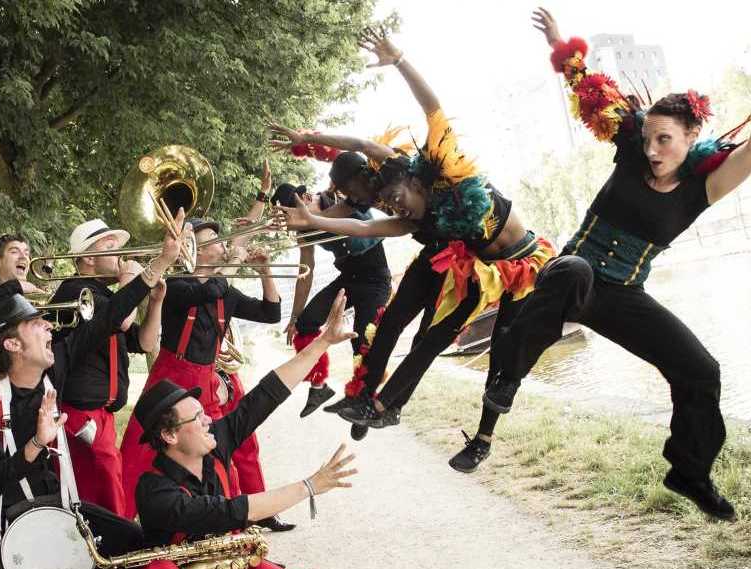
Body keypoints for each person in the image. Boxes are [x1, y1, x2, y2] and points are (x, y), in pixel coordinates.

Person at [480, 8, 751, 520]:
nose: (653, 149)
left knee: (701, 370)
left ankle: (690, 472)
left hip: (625, 294)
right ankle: (508, 375)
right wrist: (557, 41)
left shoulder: (702, 188)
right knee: (574, 271)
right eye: (648, 138)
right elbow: (587, 86)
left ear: (690, 136)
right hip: (573, 275)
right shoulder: (630, 152)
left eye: (665, 140)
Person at [273, 27, 555, 475]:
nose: (392, 205)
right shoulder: (413, 218)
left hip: (521, 265)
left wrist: (399, 59)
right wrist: (314, 222)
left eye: (395, 196)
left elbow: (431, 107)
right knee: (416, 332)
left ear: (414, 181)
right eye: (385, 202)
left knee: (501, 360)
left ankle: (481, 438)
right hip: (474, 267)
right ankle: (375, 402)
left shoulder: (445, 170)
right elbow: (368, 227)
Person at [0, 222, 179, 569]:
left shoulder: (51, 374)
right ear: (14, 344)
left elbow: (104, 318)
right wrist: (37, 442)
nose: (48, 328)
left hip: (52, 501)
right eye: (37, 324)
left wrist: (158, 264)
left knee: (133, 543)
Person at [132, 291, 358, 569]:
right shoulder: (154, 489)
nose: (208, 419)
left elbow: (268, 393)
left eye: (204, 412)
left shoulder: (214, 445)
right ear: (168, 436)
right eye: (196, 418)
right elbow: (232, 511)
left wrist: (324, 341)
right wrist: (309, 485)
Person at [117, 215, 288, 529]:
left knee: (219, 450)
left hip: (205, 380)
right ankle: (120, 523)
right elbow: (209, 290)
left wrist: (265, 273)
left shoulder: (226, 293)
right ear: (194, 248)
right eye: (214, 241)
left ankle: (239, 519)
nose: (222, 246)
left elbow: (271, 313)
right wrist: (236, 258)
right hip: (170, 377)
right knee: (135, 453)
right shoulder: (178, 286)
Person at [45, 219, 167, 514]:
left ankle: (108, 546)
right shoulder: (75, 291)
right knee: (100, 491)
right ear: (88, 257)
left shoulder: (107, 297)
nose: (122, 255)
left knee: (103, 490)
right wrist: (140, 277)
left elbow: (146, 342)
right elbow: (118, 318)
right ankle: (113, 548)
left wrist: (155, 302)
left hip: (103, 414)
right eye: (111, 248)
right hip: (80, 412)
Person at [272, 183, 391, 418]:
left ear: (304, 197)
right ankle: (319, 387)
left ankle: (365, 400)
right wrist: (294, 316)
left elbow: (345, 214)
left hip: (375, 280)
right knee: (306, 322)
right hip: (348, 279)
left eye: (290, 212)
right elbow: (305, 273)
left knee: (362, 339)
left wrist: (308, 218)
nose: (290, 221)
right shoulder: (303, 230)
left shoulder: (336, 200)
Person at [0, 232, 46, 312]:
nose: (23, 257)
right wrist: (16, 286)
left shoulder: (39, 298)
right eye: (14, 252)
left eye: (26, 253)